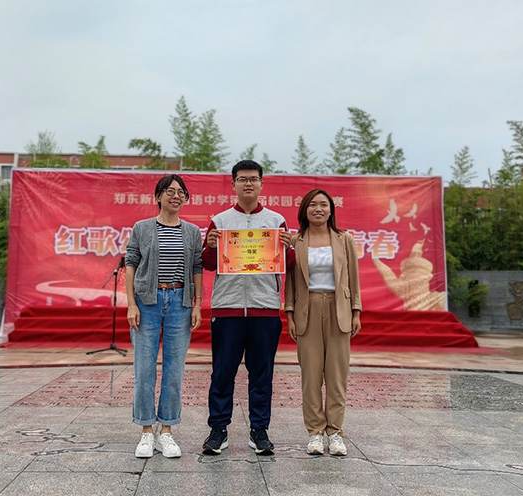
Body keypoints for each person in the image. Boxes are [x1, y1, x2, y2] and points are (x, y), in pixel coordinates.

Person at [200, 160, 294, 456]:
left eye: (254, 179)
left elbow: (288, 264)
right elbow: (208, 264)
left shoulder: (276, 221)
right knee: (222, 372)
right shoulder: (221, 221)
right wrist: (210, 246)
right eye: (242, 179)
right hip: (227, 309)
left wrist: (288, 247)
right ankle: (218, 429)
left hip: (264, 309)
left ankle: (259, 430)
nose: (248, 183)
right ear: (234, 185)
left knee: (262, 374)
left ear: (262, 184)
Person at [124, 174, 203, 459]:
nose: (176, 196)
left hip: (180, 302)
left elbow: (197, 267)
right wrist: (131, 304)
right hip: (147, 302)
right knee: (144, 368)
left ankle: (166, 431)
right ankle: (146, 431)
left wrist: (197, 304)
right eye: (169, 191)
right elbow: (131, 264)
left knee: (174, 369)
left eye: (181, 192)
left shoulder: (192, 231)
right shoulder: (142, 228)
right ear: (158, 197)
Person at [284, 189, 362, 456]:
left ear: (331, 210)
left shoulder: (344, 239)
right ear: (304, 210)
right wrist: (290, 314)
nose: (318, 209)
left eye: (324, 205)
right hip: (307, 310)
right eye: (313, 205)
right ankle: (315, 432)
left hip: (339, 308)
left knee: (337, 376)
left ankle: (335, 432)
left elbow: (353, 277)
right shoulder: (296, 241)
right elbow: (291, 281)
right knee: (311, 376)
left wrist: (356, 311)